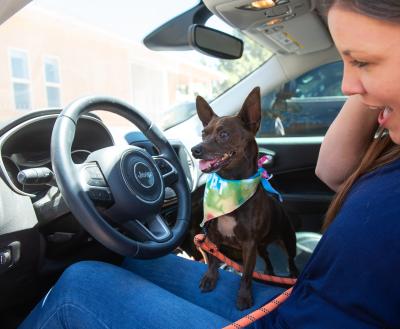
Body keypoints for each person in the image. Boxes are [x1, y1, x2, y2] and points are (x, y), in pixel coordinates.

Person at [19, 1, 400, 328]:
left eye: (363, 61)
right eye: (344, 62)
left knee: (79, 283)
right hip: (302, 301)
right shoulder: (389, 150)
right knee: (129, 260)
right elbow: (331, 170)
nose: (346, 85)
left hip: (296, 316)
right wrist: (376, 92)